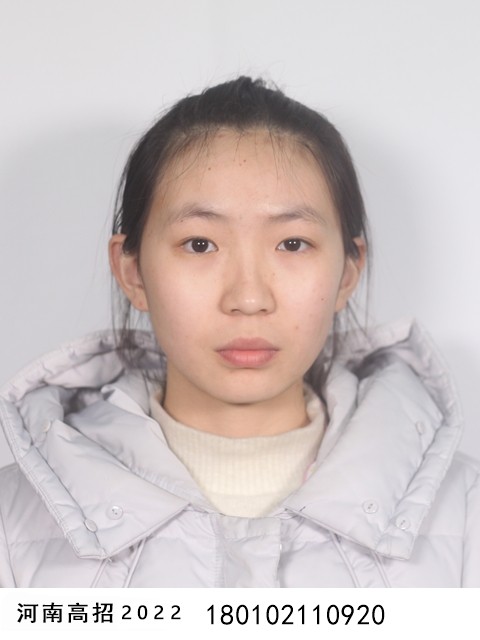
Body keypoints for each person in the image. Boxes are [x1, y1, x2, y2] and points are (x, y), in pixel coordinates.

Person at [0, 77, 478, 588]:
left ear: (347, 272)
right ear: (132, 271)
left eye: (292, 244)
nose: (249, 298)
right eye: (200, 244)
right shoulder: (12, 524)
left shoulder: (465, 512)